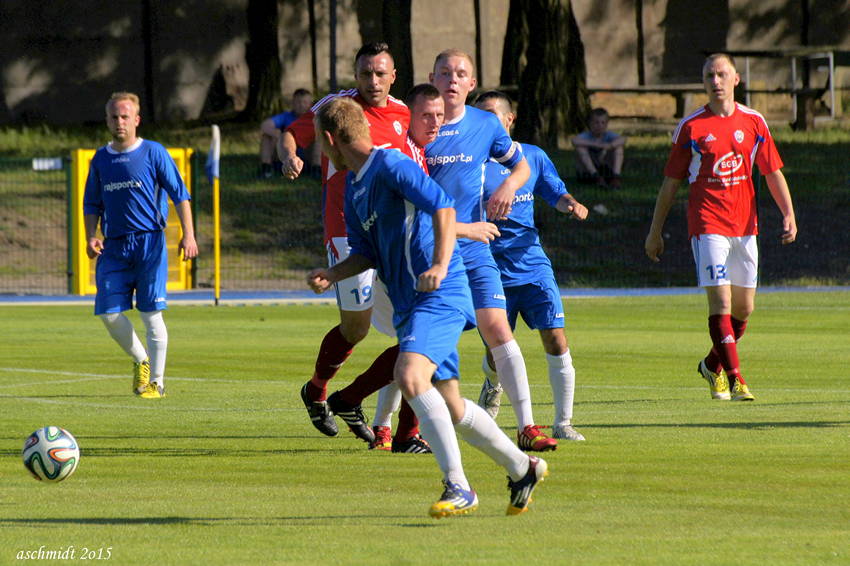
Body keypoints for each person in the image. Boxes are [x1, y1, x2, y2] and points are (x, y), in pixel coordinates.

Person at [307, 96, 548, 517]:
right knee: (452, 406)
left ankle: (459, 486)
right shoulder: (354, 189)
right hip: (409, 305)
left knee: (409, 374)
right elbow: (365, 254)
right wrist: (334, 274)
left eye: (319, 144)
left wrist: (439, 262)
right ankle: (522, 467)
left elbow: (441, 204)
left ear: (330, 139)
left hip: (439, 293)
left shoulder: (391, 165)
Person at [645, 53, 797, 402]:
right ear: (703, 82)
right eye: (709, 76)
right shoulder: (691, 127)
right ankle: (735, 377)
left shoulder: (755, 122)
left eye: (721, 74)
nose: (715, 81)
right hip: (707, 223)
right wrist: (655, 230)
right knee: (722, 302)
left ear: (736, 79)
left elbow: (771, 172)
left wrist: (788, 214)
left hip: (746, 226)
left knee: (744, 309)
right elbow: (670, 183)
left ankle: (711, 364)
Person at [427, 48, 557, 452]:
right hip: (430, 252)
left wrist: (507, 186)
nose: (452, 78)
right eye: (444, 72)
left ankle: (527, 427)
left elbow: (521, 166)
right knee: (425, 344)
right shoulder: (415, 126)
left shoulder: (485, 123)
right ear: (432, 78)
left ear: (471, 83)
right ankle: (396, 426)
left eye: (460, 73)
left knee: (499, 331)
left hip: (475, 249)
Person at [278, 43, 410, 439]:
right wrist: (290, 156)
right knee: (356, 330)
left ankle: (395, 429)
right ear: (356, 75)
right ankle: (317, 390)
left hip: (393, 234)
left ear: (393, 76)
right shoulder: (335, 108)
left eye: (380, 73)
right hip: (346, 231)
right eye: (365, 73)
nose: (373, 81)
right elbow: (292, 134)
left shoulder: (404, 113)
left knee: (415, 332)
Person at [474, 90, 588, 441]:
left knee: (555, 337)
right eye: (478, 116)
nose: (484, 123)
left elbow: (555, 193)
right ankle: (492, 385)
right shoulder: (472, 163)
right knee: (499, 350)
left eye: (491, 115)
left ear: (509, 120)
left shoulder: (532, 157)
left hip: (532, 264)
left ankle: (563, 422)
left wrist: (570, 203)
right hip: (490, 265)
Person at [83, 92, 199, 399]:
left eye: (124, 117)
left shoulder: (153, 152)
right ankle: (141, 359)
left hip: (150, 243)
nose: (119, 122)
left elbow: (180, 195)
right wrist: (90, 236)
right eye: (113, 117)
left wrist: (189, 235)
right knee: (108, 313)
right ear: (107, 120)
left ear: (136, 120)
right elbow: (91, 203)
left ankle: (157, 383)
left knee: (150, 315)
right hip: (114, 246)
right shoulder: (100, 159)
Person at [259, 88, 315, 178]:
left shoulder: (314, 118)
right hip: (285, 155)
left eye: (304, 102)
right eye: (298, 102)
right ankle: (266, 169)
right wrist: (283, 137)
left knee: (320, 138)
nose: (301, 105)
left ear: (310, 104)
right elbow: (265, 125)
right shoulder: (286, 116)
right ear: (292, 103)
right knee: (267, 136)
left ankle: (317, 170)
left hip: (307, 153)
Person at [570, 108, 626, 188]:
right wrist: (596, 145)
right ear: (590, 124)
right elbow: (574, 141)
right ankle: (595, 176)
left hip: (604, 168)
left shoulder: (609, 135)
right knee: (580, 148)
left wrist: (609, 146)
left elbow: (623, 139)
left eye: (603, 123)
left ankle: (615, 177)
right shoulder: (586, 136)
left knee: (618, 148)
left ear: (606, 124)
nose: (600, 126)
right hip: (587, 173)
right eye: (596, 122)